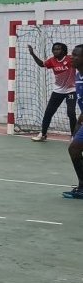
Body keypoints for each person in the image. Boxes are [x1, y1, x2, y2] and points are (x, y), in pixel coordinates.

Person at [28, 43, 77, 141]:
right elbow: (42, 64)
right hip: (58, 91)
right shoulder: (52, 61)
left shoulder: (70, 59)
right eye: (54, 49)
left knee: (71, 113)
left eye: (58, 49)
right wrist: (32, 54)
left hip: (71, 90)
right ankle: (43, 134)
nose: (55, 51)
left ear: (64, 51)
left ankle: (74, 136)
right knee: (48, 113)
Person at [64, 45, 83, 199]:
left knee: (75, 149)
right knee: (74, 149)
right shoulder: (78, 75)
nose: (72, 57)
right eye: (72, 54)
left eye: (76, 55)